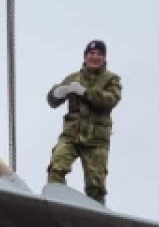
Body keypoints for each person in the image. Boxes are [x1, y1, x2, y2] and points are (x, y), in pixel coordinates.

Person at [46, 39, 122, 204]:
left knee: (95, 185)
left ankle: (96, 217)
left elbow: (110, 100)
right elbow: (52, 100)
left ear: (104, 58)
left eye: (99, 54)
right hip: (71, 136)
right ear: (85, 56)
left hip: (96, 141)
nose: (95, 57)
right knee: (57, 165)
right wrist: (58, 92)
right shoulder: (73, 78)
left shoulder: (111, 79)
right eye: (92, 54)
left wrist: (85, 92)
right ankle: (55, 202)